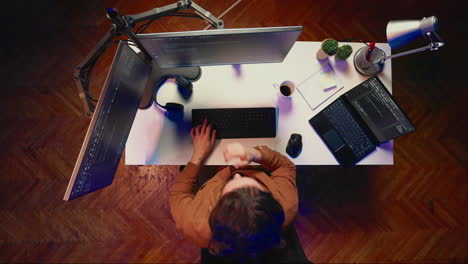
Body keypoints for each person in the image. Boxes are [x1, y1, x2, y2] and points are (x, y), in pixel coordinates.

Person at [169, 120, 298, 261]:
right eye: (256, 186)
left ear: (216, 211)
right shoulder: (287, 206)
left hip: (212, 172)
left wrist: (199, 154)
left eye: (227, 194)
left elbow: (178, 193)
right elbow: (285, 167)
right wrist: (254, 154)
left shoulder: (193, 223)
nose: (237, 173)